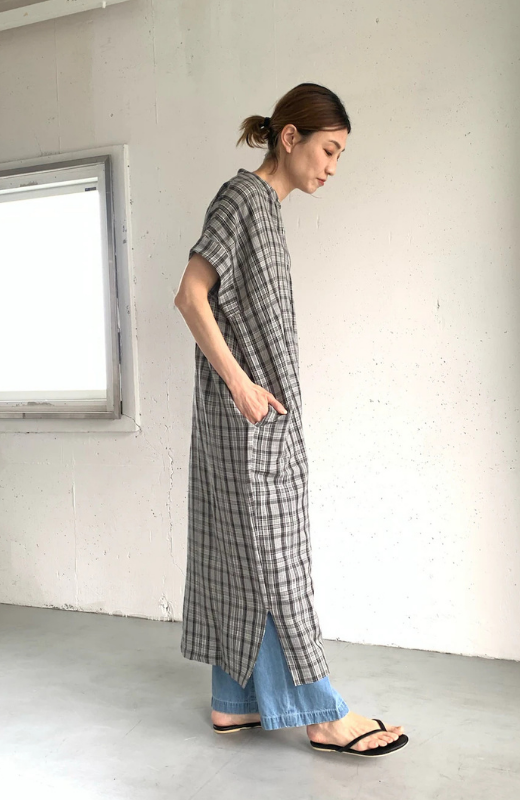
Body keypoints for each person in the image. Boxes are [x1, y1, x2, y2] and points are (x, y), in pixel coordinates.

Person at [174, 83, 408, 757]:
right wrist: (243, 386)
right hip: (249, 416)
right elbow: (190, 296)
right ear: (289, 137)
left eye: (339, 155)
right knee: (276, 562)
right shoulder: (242, 199)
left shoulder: (268, 211)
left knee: (243, 554)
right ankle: (321, 712)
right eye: (328, 150)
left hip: (254, 419)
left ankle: (233, 702)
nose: (332, 167)